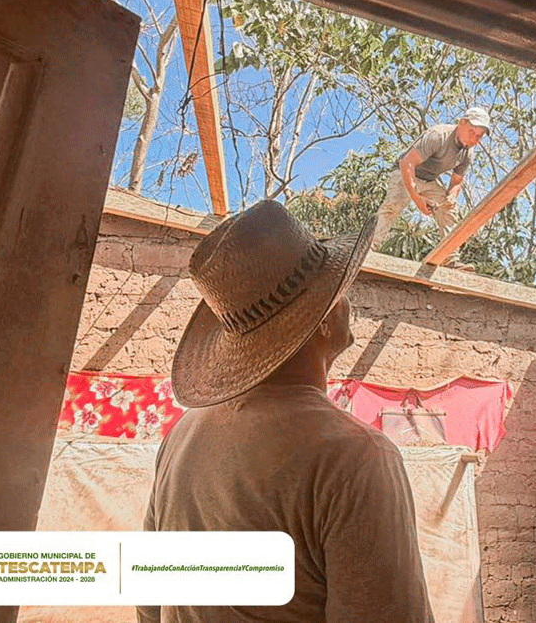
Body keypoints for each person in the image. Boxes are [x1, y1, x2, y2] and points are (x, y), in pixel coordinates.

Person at [137, 200, 435, 623]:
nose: (347, 298)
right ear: (322, 321)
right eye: (335, 289)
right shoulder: (355, 457)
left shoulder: (182, 435)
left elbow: (150, 602)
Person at [372, 106, 491, 271]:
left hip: (429, 180)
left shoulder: (467, 153)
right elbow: (407, 163)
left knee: (449, 210)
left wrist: (452, 196)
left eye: (479, 136)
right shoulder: (438, 136)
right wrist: (417, 198)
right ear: (462, 123)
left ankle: (450, 259)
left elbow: (457, 182)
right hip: (405, 172)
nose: (474, 139)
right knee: (393, 205)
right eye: (472, 132)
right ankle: (368, 248)